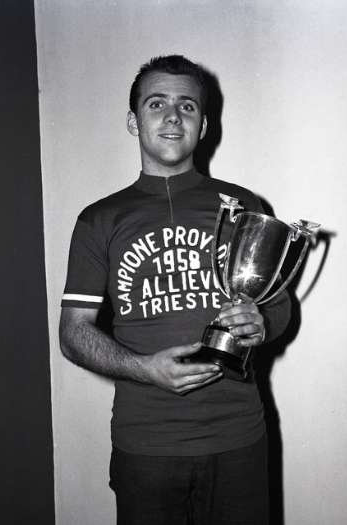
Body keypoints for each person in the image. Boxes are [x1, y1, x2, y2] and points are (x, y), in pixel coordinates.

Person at [59, 55, 291, 525]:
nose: (171, 116)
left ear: (202, 125)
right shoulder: (98, 219)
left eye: (187, 106)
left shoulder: (242, 206)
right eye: (156, 104)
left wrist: (262, 323)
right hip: (146, 445)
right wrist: (144, 370)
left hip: (238, 438)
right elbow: (73, 333)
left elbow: (280, 304)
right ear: (134, 121)